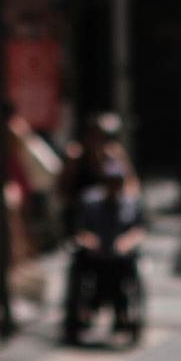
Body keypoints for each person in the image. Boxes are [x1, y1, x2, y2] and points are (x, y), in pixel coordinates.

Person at [63, 162, 146, 344]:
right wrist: (90, 240)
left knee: (123, 270)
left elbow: (138, 230)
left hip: (120, 258)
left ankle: (122, 313)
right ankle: (84, 312)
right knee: (81, 267)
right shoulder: (90, 201)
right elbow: (81, 229)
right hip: (95, 257)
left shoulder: (131, 203)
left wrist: (126, 242)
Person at [58, 112, 139, 241]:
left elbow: (132, 185)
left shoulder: (114, 155)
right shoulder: (76, 156)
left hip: (109, 212)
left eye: (102, 137)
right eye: (94, 136)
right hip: (84, 214)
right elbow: (63, 190)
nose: (97, 141)